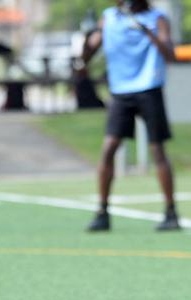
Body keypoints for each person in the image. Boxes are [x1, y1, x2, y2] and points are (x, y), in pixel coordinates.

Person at [80, 0, 181, 231]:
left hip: (149, 88)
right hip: (121, 92)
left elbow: (170, 55)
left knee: (158, 150)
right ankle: (102, 212)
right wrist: (87, 36)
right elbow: (87, 54)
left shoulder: (157, 19)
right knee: (109, 149)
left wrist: (147, 32)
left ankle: (170, 211)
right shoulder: (109, 18)